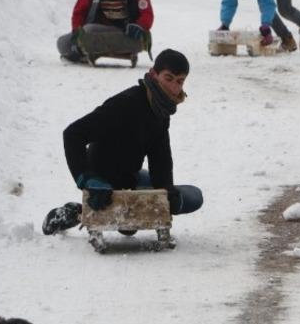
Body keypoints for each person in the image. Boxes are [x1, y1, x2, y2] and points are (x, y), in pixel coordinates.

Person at [42, 48, 203, 235]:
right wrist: (86, 178)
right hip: (102, 182)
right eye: (169, 78)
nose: (174, 88)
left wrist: (167, 192)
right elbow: (72, 134)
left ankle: (122, 213)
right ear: (154, 74)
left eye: (180, 81)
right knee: (128, 217)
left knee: (193, 197)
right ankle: (77, 211)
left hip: (130, 177)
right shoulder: (125, 104)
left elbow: (161, 158)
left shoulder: (160, 111)